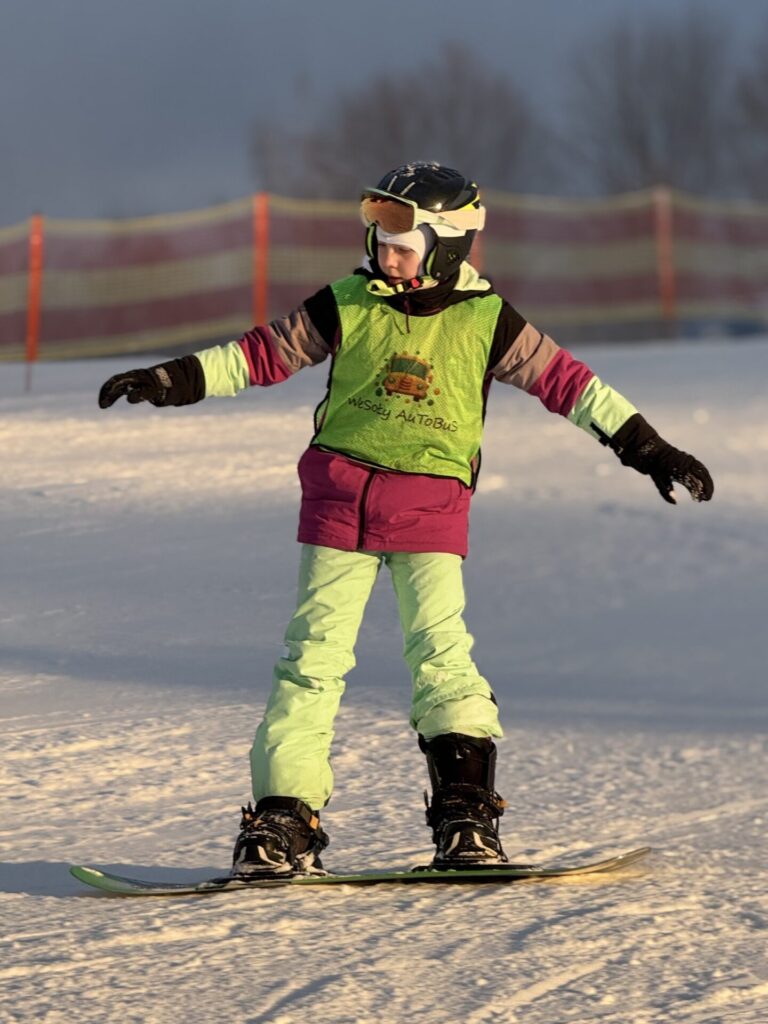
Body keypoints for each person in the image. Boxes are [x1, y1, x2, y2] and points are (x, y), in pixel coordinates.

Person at [98, 161, 713, 877]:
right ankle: (284, 819)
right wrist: (171, 379)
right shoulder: (348, 302)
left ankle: (465, 815)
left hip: (429, 509)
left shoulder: (488, 319)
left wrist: (647, 447)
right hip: (337, 505)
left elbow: (571, 385)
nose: (386, 258)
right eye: (380, 243)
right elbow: (260, 355)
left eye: (401, 247)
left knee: (440, 655)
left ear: (446, 246)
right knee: (310, 661)